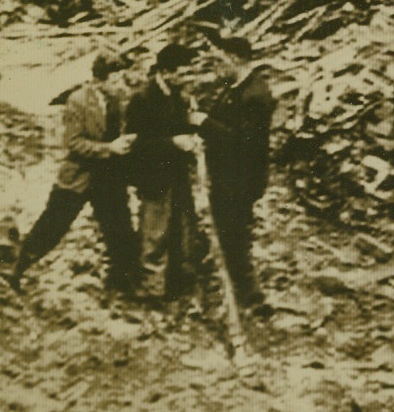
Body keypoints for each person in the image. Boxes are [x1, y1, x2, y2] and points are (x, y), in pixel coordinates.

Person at [9, 51, 137, 293]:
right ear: (102, 78)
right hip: (78, 176)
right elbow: (74, 143)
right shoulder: (78, 100)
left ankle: (122, 283)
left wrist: (124, 142)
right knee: (52, 227)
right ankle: (15, 269)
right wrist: (109, 148)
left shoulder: (117, 99)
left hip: (108, 178)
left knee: (119, 228)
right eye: (116, 77)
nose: (121, 83)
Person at [191, 31, 275, 306]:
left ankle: (250, 294)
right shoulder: (234, 88)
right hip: (227, 176)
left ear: (235, 58)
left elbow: (242, 142)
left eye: (220, 60)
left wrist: (204, 123)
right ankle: (227, 281)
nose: (217, 66)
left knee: (236, 232)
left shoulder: (256, 94)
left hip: (242, 179)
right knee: (226, 229)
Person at [125, 43, 200, 303]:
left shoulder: (178, 97)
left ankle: (177, 286)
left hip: (176, 175)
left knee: (181, 229)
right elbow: (135, 143)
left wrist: (191, 138)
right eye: (183, 72)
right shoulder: (143, 98)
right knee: (154, 233)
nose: (188, 77)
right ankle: (150, 291)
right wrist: (173, 143)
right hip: (153, 176)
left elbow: (179, 127)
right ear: (166, 72)